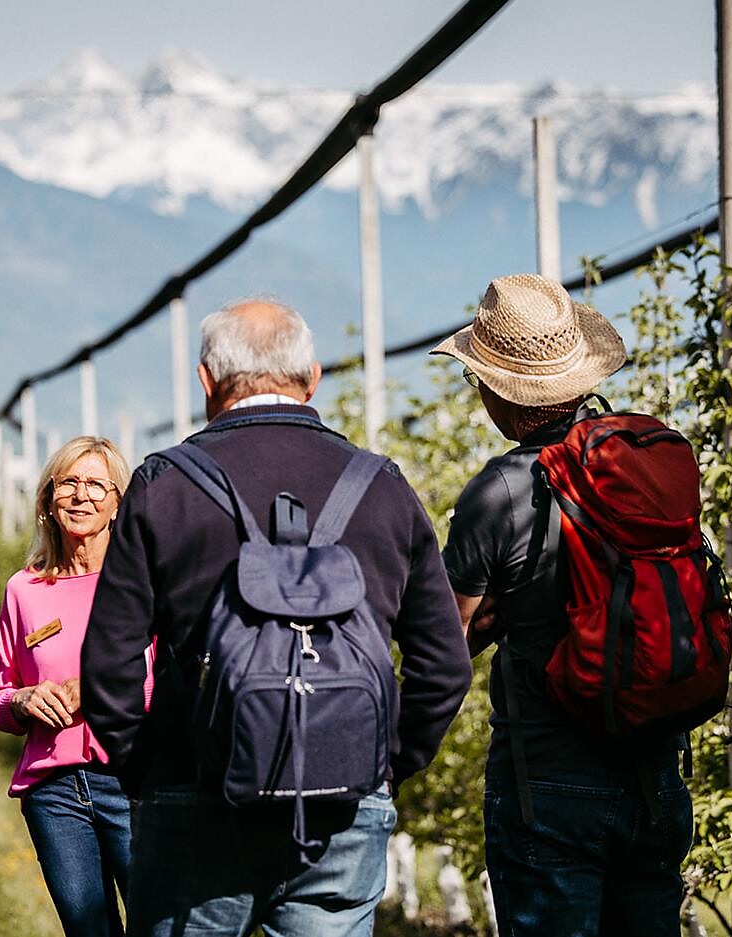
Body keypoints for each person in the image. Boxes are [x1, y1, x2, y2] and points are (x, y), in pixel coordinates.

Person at [82, 297, 472, 937]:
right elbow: (443, 666)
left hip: (194, 796)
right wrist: (380, 763)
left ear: (207, 381)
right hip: (344, 806)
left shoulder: (162, 486)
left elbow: (108, 664)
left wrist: (153, 773)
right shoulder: (382, 487)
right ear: (313, 376)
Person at [433, 275, 694, 937]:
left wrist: (496, 617)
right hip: (655, 777)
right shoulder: (646, 459)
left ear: (505, 396)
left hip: (547, 789)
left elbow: (443, 642)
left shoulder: (498, 493)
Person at [0, 435, 144, 937]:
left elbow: (169, 684)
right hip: (53, 794)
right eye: (69, 483)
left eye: (98, 484)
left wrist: (99, 689)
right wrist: (24, 700)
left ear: (119, 502)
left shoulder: (143, 586)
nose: (82, 496)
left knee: (159, 925)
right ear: (48, 500)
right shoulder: (24, 590)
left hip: (131, 783)